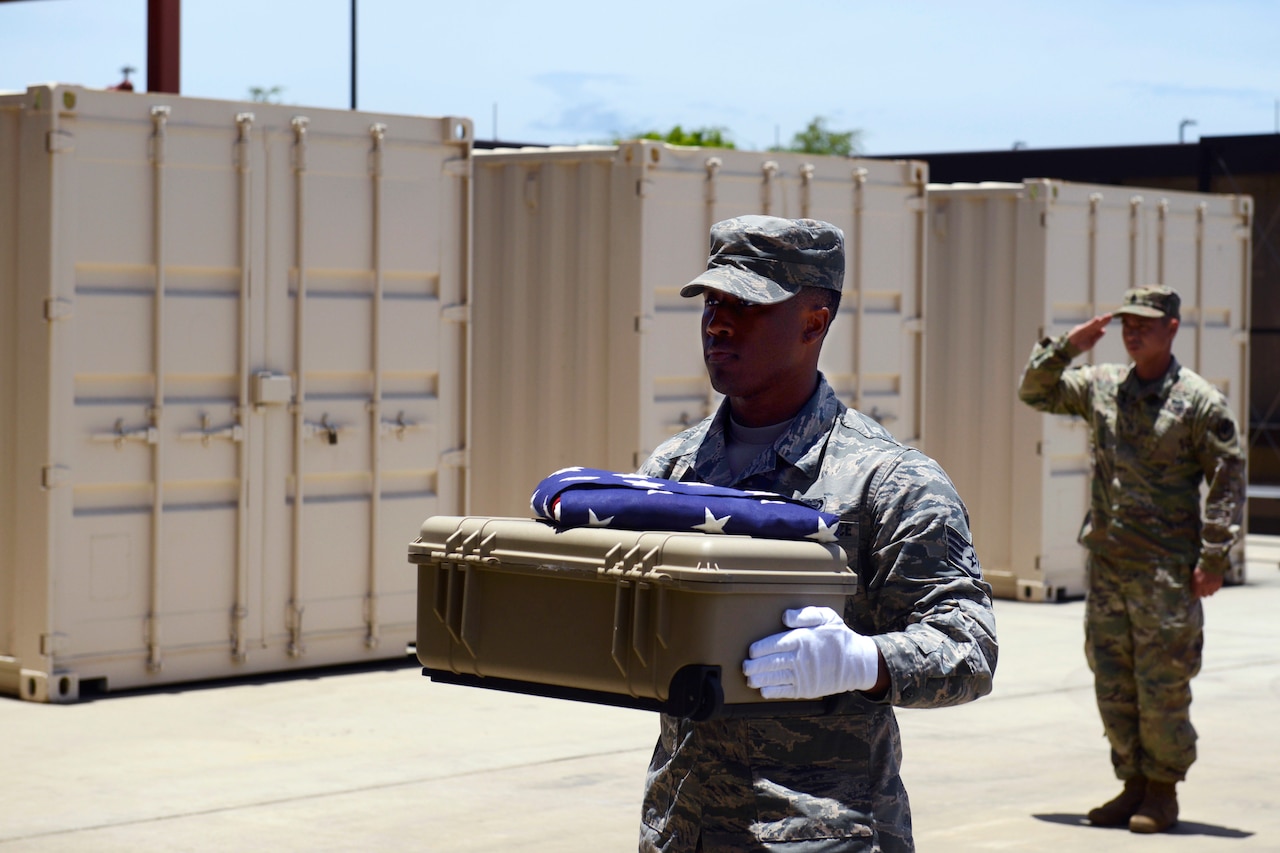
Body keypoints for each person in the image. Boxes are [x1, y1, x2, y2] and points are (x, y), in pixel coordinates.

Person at [635, 215, 998, 852]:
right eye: (713, 303)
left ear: (813, 320)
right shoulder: (674, 470)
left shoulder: (889, 480)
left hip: (822, 833)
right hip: (683, 828)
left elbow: (968, 649)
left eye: (746, 305)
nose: (718, 323)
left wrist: (864, 661)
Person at [1017, 285, 1246, 834]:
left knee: (1162, 683)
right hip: (1110, 567)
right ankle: (1132, 785)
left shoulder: (1198, 401)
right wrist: (1068, 347)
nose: (1132, 330)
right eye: (1125, 322)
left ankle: (1162, 791)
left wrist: (1214, 556)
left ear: (1171, 327)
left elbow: (1228, 475)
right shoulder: (1103, 387)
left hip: (1166, 574)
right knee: (1112, 679)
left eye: (1144, 321)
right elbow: (1035, 391)